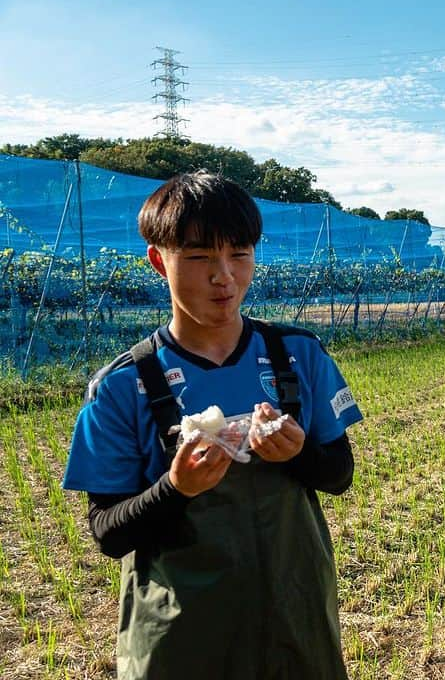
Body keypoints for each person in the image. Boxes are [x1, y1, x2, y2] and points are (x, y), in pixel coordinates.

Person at [62, 171, 362, 680]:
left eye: (239, 254)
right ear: (159, 260)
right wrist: (177, 487)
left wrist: (298, 455)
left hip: (295, 616)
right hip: (182, 633)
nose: (223, 276)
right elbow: (108, 533)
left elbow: (339, 475)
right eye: (199, 257)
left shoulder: (297, 356)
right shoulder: (122, 385)